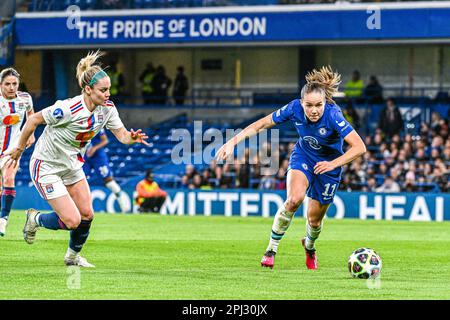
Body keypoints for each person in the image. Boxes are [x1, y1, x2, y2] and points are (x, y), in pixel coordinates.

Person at [6, 51, 150, 267]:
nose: (108, 94)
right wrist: (19, 147)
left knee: (87, 214)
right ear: (88, 90)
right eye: (103, 90)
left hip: (72, 164)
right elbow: (33, 120)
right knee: (72, 221)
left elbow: (121, 136)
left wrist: (132, 137)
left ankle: (72, 258)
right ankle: (34, 219)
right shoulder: (68, 109)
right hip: (46, 166)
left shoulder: (107, 110)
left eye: (109, 89)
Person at [216, 66, 366, 270]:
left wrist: (332, 164)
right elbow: (262, 124)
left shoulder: (333, 115)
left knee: (314, 221)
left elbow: (359, 147)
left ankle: (310, 247)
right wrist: (233, 142)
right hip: (304, 156)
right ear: (302, 103)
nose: (314, 110)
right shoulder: (293, 108)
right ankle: (271, 249)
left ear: (325, 103)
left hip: (330, 165)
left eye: (318, 105)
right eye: (309, 105)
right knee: (294, 199)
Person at [0, 68, 35, 236]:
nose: (11, 87)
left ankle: (3, 219)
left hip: (13, 147)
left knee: (9, 176)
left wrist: (31, 133)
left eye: (14, 84)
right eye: (7, 84)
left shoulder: (25, 98)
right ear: (1, 85)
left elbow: (31, 114)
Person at [83, 129, 128, 212]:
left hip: (98, 156)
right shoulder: (77, 122)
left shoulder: (96, 122)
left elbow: (105, 140)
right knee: (81, 179)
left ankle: (122, 201)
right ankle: (79, 207)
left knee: (108, 179)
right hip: (84, 155)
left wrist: (95, 148)